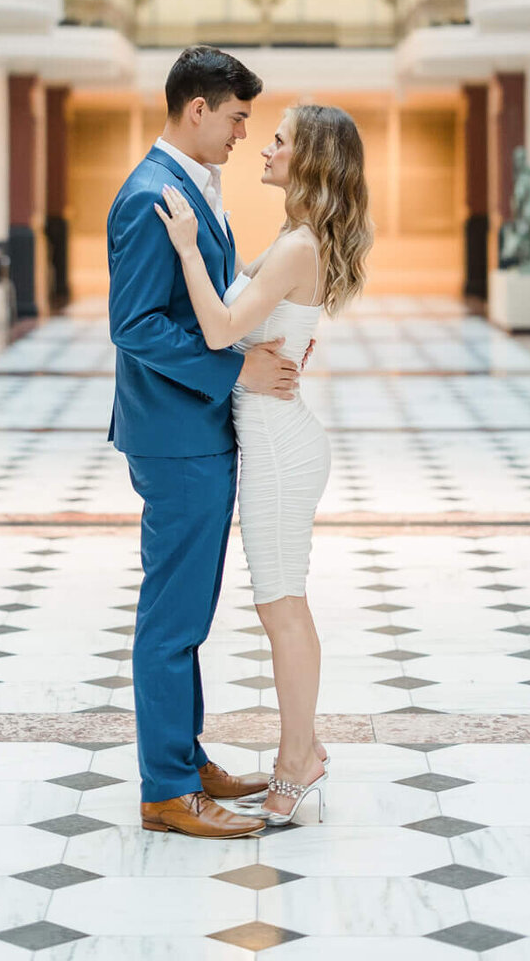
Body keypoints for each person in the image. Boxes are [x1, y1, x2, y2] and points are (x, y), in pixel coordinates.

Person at [157, 102, 372, 826]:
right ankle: (300, 749)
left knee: (282, 606)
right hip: (278, 437)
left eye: (279, 139)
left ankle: (297, 760)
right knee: (281, 603)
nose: (265, 146)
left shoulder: (296, 248)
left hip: (280, 447)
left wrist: (187, 248)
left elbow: (220, 328)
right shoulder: (295, 240)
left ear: (308, 159)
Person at [107, 46, 300, 840]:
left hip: (192, 429)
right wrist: (235, 373)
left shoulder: (189, 186)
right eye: (235, 117)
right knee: (173, 617)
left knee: (187, 609)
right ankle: (165, 788)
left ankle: (185, 759)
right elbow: (137, 324)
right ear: (197, 109)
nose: (241, 133)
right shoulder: (151, 194)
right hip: (177, 434)